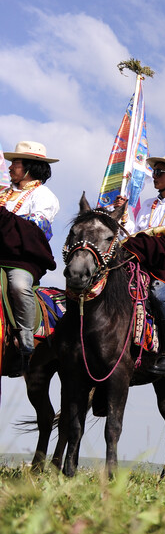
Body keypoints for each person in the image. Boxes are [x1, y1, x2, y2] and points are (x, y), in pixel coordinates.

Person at [110, 152, 165, 377]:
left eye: (160, 172)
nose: (155, 176)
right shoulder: (148, 204)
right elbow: (135, 234)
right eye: (154, 171)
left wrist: (146, 243)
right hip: (144, 261)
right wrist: (124, 216)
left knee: (159, 293)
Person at [0, 141, 59, 374]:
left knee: (18, 285)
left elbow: (35, 231)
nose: (10, 167)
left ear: (30, 167)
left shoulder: (44, 195)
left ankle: (25, 341)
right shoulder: (3, 193)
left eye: (16, 162)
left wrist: (2, 216)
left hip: (22, 258)